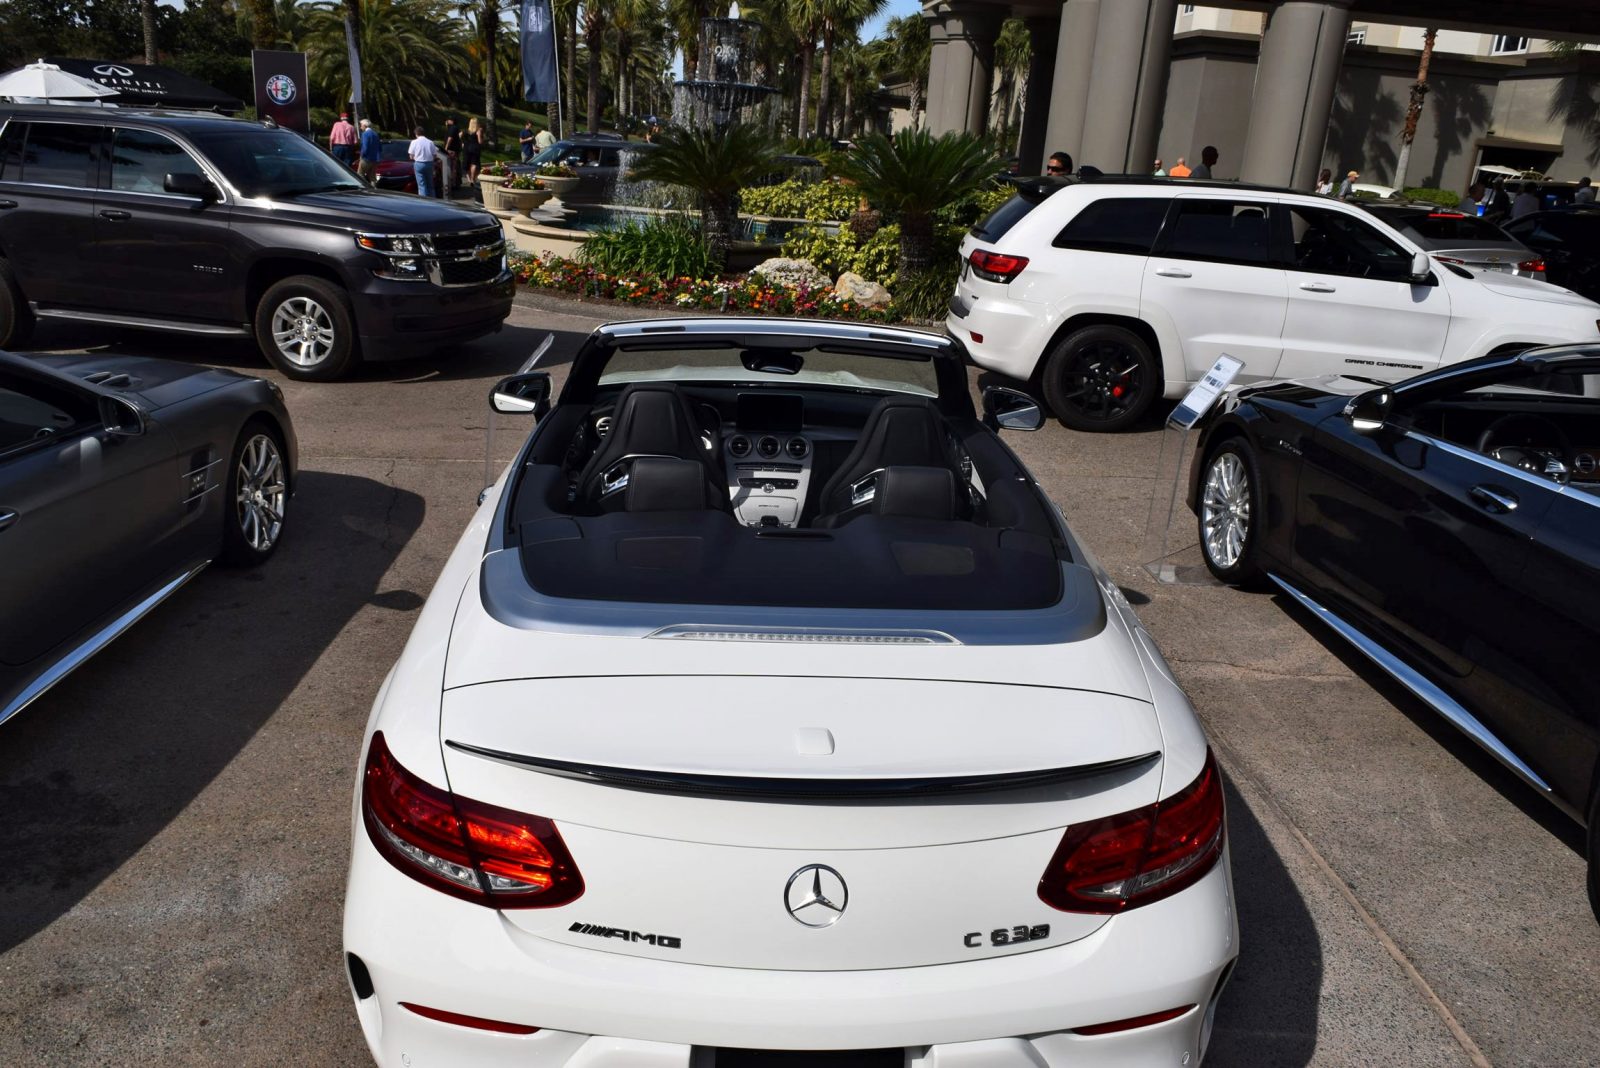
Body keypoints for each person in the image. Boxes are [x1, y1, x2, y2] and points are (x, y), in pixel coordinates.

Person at [408, 126, 438, 198]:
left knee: (422, 185)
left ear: (416, 134)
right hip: (429, 163)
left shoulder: (414, 142)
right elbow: (434, 155)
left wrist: (415, 157)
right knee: (430, 184)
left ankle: (423, 200)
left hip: (419, 163)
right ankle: (433, 200)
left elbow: (411, 156)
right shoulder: (430, 142)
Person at [442, 118, 462, 197]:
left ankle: (452, 184)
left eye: (448, 120)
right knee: (454, 167)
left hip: (451, 150)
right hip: (454, 150)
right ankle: (454, 183)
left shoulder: (453, 128)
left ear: (452, 121)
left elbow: (450, 138)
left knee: (451, 167)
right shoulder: (454, 128)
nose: (446, 121)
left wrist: (446, 148)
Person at [464, 117, 484, 187]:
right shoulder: (479, 130)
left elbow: (461, 136)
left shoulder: (467, 131)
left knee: (468, 163)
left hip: (467, 148)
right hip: (475, 148)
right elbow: (480, 141)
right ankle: (473, 179)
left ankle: (469, 179)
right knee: (474, 164)